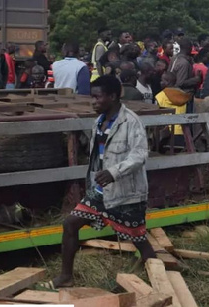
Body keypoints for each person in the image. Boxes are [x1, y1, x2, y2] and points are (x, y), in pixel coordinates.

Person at [42, 75, 156, 289]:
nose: (93, 102)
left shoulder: (131, 122)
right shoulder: (99, 122)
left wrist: (114, 172)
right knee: (70, 224)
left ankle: (160, 276)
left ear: (112, 96)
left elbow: (139, 156)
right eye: (92, 97)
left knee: (138, 238)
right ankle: (66, 276)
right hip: (101, 191)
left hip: (126, 192)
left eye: (97, 97)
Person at [156, 72, 193, 146]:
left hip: (167, 134)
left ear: (167, 82)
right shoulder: (184, 95)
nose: (160, 82)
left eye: (162, 80)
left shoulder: (160, 96)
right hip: (184, 133)